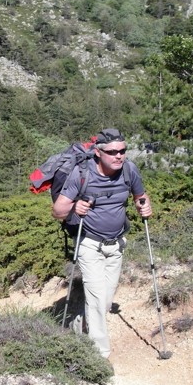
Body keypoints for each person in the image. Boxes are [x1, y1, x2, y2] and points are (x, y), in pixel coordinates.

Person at [51, 128, 152, 359]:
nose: (119, 156)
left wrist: (145, 207)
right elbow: (58, 211)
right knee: (96, 298)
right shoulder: (81, 174)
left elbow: (141, 197)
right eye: (113, 152)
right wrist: (74, 208)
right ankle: (99, 356)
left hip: (116, 244)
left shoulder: (129, 169)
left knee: (105, 302)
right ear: (98, 153)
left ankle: (79, 324)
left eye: (123, 151)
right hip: (88, 243)